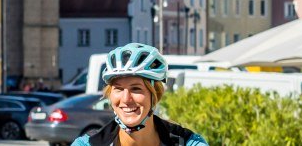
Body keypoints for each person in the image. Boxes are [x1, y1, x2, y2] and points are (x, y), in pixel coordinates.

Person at [70, 43, 208, 146]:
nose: (126, 99)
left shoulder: (188, 142)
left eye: (136, 89)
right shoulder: (89, 144)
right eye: (118, 89)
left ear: (155, 94)